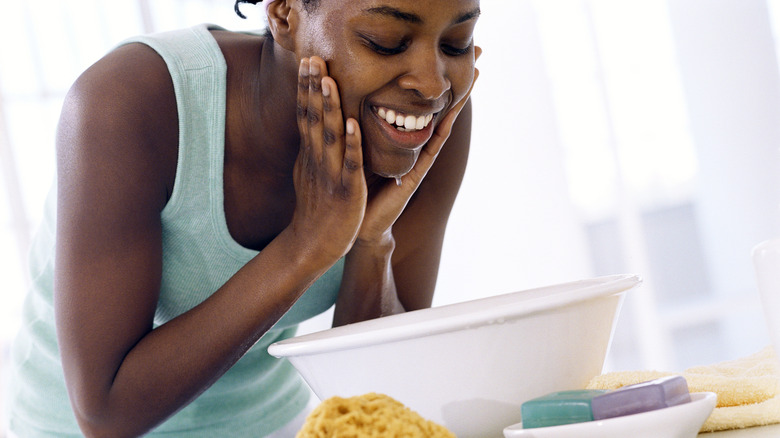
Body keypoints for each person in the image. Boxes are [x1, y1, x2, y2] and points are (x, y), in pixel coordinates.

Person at [5, 0, 480, 436]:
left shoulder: (422, 128)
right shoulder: (130, 103)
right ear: (283, 14)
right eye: (385, 41)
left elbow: (374, 399)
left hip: (273, 425)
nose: (433, 83)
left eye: (454, 44)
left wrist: (372, 243)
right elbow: (104, 413)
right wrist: (304, 248)